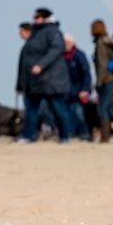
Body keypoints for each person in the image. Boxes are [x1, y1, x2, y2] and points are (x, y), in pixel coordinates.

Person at [18, 9, 71, 143]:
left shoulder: (53, 32)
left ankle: (65, 136)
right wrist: (20, 84)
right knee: (31, 109)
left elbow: (57, 49)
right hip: (35, 81)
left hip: (51, 80)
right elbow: (25, 59)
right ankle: (27, 136)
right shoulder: (35, 33)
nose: (34, 19)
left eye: (37, 17)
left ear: (45, 18)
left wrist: (41, 65)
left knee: (58, 108)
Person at [64, 34, 94, 141]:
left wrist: (85, 89)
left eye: (67, 43)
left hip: (78, 91)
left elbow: (86, 74)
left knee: (78, 113)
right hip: (65, 91)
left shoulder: (79, 55)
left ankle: (85, 133)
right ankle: (70, 133)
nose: (66, 45)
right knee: (67, 114)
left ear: (72, 43)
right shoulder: (61, 56)